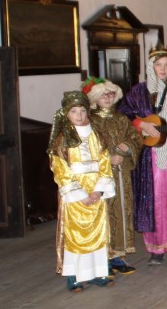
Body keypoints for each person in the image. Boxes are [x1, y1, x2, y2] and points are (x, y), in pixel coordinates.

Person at [118, 41, 167, 265]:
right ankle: (155, 249)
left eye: (166, 64)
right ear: (150, 66)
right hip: (148, 157)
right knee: (152, 198)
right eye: (158, 65)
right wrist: (141, 125)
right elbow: (123, 115)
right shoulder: (138, 92)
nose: (162, 69)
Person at [49, 91, 116, 292]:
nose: (79, 115)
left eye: (83, 110)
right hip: (77, 194)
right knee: (76, 233)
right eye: (73, 111)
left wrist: (98, 191)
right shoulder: (62, 139)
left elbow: (104, 163)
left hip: (95, 191)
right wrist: (79, 194)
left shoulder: (97, 135)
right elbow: (60, 168)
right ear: (66, 114)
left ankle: (97, 272)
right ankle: (74, 275)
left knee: (97, 232)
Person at [83, 77, 143, 276]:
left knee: (122, 210)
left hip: (121, 174)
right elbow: (87, 147)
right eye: (102, 95)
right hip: (100, 175)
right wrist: (108, 158)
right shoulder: (90, 121)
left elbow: (135, 138)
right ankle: (103, 259)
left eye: (110, 94)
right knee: (104, 213)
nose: (107, 98)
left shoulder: (121, 119)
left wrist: (127, 147)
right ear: (95, 98)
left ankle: (118, 256)